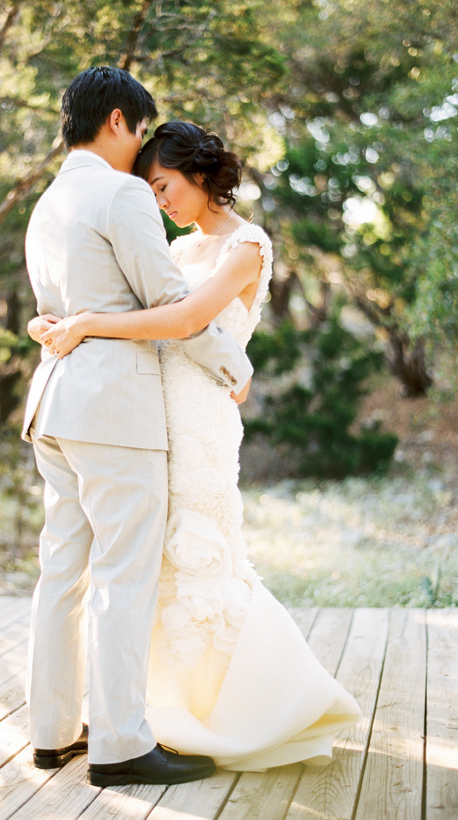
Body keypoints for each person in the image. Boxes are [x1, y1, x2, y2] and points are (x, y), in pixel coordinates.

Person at [31, 121, 362, 771]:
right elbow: (142, 307)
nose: (161, 201)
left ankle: (252, 707)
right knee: (153, 567)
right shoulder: (175, 249)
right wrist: (62, 319)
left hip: (202, 414)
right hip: (150, 411)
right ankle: (158, 710)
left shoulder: (247, 245)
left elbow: (184, 320)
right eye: (152, 191)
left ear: (201, 171)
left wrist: (88, 323)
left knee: (205, 552)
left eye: (165, 185)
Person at [22, 68, 256, 787]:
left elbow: (55, 312)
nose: (141, 163)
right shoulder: (118, 192)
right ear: (119, 120)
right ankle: (121, 743)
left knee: (62, 568)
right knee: (123, 575)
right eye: (138, 136)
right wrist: (232, 364)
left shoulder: (47, 204)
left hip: (53, 407)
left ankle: (54, 732)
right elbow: (170, 300)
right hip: (113, 412)